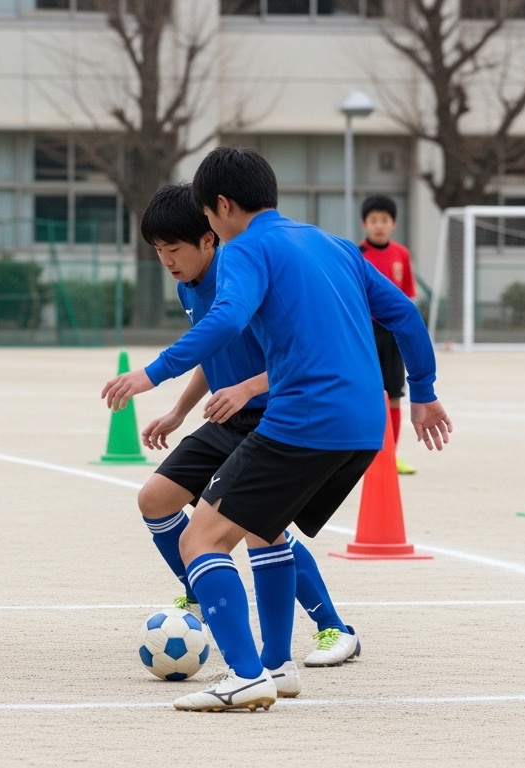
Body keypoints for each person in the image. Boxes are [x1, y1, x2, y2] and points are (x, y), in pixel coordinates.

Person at [103, 148, 452, 712]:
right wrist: (425, 393)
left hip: (299, 418)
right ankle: (276, 667)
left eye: (206, 217)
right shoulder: (335, 244)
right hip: (363, 427)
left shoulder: (244, 249)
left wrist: (153, 372)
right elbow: (405, 315)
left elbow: (230, 319)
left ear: (220, 207)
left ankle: (247, 674)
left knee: (202, 538)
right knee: (261, 529)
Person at [135, 183, 360, 679]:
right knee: (155, 499)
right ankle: (204, 591)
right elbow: (210, 353)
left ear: (210, 238)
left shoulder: (245, 270)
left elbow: (296, 357)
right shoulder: (188, 285)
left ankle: (331, 627)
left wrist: (245, 386)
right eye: (159, 253)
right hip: (226, 420)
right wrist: (177, 411)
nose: (168, 261)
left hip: (273, 419)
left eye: (174, 250)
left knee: (264, 529)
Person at [359, 195, 419, 475]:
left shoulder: (401, 254)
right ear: (364, 224)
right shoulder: (357, 254)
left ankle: (391, 454)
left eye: (384, 220)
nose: (379, 225)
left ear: (393, 223)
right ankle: (366, 456)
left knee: (393, 393)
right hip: (365, 330)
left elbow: (407, 297)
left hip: (392, 331)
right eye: (374, 220)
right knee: (366, 392)